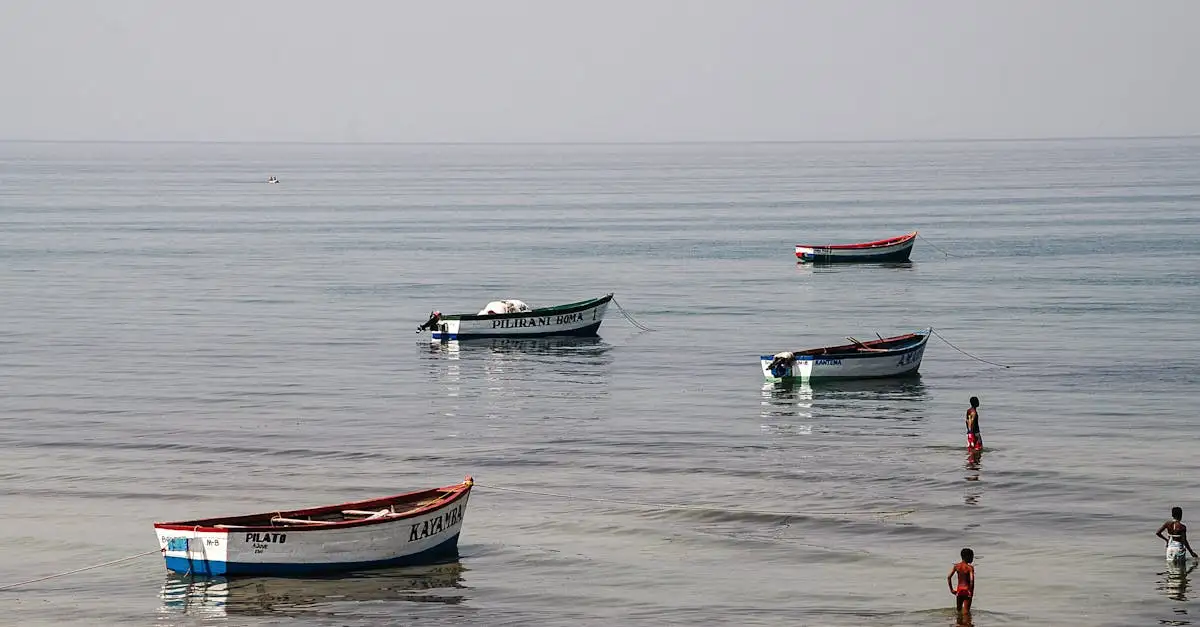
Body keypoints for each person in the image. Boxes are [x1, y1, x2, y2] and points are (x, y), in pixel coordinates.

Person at [947, 548, 976, 616]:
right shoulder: (970, 568)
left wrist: (951, 590)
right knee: (966, 612)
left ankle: (959, 623)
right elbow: (971, 581)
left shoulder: (956, 566)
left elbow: (949, 577)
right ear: (967, 557)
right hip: (967, 590)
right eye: (971, 557)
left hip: (959, 591)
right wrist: (970, 592)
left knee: (959, 611)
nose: (972, 559)